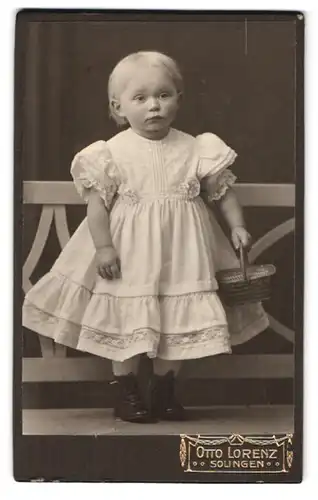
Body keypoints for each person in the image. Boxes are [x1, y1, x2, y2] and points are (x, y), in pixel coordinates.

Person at [23, 51, 269, 424]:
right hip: (130, 255)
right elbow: (97, 207)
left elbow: (223, 193)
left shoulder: (195, 147)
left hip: (183, 254)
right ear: (118, 106)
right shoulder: (111, 152)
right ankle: (126, 390)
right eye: (140, 98)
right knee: (126, 321)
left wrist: (236, 225)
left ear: (178, 99)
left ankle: (164, 388)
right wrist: (104, 247)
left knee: (177, 322)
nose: (154, 106)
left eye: (163, 95)